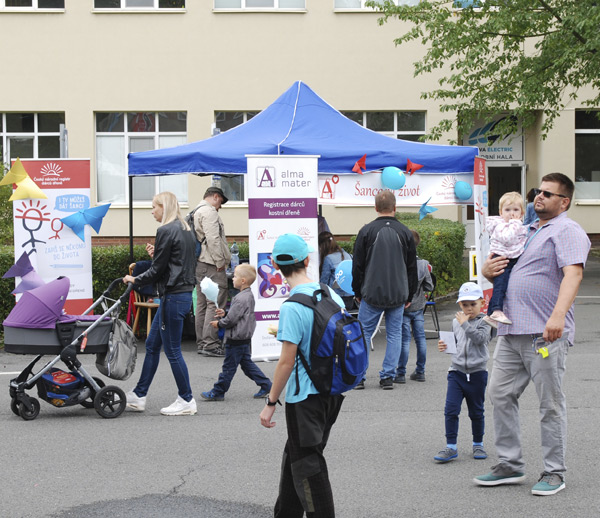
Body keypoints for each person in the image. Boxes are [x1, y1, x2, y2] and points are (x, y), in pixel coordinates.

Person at [474, 173, 591, 496]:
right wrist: (486, 272)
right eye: (538, 191)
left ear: (563, 202)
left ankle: (554, 472)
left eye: (548, 194)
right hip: (511, 330)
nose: (539, 197)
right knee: (499, 394)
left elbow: (573, 274)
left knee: (549, 404)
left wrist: (557, 318)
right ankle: (510, 465)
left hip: (545, 335)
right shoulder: (526, 230)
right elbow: (503, 266)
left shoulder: (567, 230)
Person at [259, 233, 345, 518]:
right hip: (332, 391)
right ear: (307, 260)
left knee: (309, 467)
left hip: (304, 398)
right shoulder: (330, 293)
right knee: (296, 456)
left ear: (274, 264)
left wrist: (271, 402)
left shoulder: (292, 307)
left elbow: (286, 362)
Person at [123, 191, 197, 416]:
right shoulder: (186, 230)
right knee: (153, 345)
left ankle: (186, 399)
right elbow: (175, 261)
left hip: (173, 296)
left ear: (163, 207)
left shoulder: (164, 230)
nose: (152, 211)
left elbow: (156, 270)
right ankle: (139, 395)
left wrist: (135, 279)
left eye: (154, 207)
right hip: (181, 294)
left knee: (173, 349)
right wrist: (158, 254)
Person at [351, 190, 417, 390]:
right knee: (394, 335)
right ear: (395, 208)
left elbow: (358, 265)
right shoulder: (405, 232)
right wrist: (410, 293)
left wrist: (357, 291)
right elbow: (411, 267)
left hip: (371, 292)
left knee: (362, 335)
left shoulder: (366, 231)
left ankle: (359, 376)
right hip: (398, 293)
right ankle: (387, 376)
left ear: (376, 208)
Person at [434, 282, 493, 463]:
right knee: (451, 409)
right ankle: (451, 446)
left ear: (482, 303)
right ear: (460, 305)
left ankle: (478, 444)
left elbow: (480, 339)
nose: (468, 309)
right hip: (457, 372)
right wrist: (445, 346)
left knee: (476, 411)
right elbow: (457, 346)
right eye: (465, 305)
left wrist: (466, 325)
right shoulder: (456, 322)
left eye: (473, 304)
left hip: (477, 373)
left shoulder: (486, 321)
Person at [200, 263, 272, 401]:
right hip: (243, 337)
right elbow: (238, 315)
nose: (232, 278)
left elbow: (231, 321)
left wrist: (219, 323)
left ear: (243, 281)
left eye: (235, 276)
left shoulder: (240, 298)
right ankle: (266, 384)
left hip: (236, 338)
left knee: (228, 368)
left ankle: (218, 391)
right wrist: (225, 313)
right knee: (247, 365)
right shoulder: (248, 296)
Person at [193, 186, 231, 357]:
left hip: (199, 264)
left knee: (201, 304)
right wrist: (220, 262)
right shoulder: (209, 212)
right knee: (215, 303)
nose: (220, 207)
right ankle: (210, 343)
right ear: (216, 197)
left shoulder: (195, 211)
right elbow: (213, 239)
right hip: (211, 264)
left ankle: (202, 342)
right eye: (220, 202)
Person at [484, 191, 528, 328]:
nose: (511, 213)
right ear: (500, 212)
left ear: (522, 213)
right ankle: (496, 310)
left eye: (515, 210)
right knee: (501, 284)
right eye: (507, 210)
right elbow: (508, 238)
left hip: (509, 256)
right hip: (502, 257)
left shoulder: (517, 225)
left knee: (502, 284)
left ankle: (490, 314)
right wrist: (515, 223)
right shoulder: (501, 225)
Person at [395, 230, 434, 383]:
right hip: (418, 308)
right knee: (420, 339)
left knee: (404, 341)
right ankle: (420, 371)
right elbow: (429, 286)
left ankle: (400, 373)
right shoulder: (424, 265)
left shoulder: (398, 264)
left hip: (403, 308)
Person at [318, 231, 354, 310]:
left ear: (322, 246)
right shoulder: (348, 255)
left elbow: (324, 282)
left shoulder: (328, 258)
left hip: (335, 297)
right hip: (350, 295)